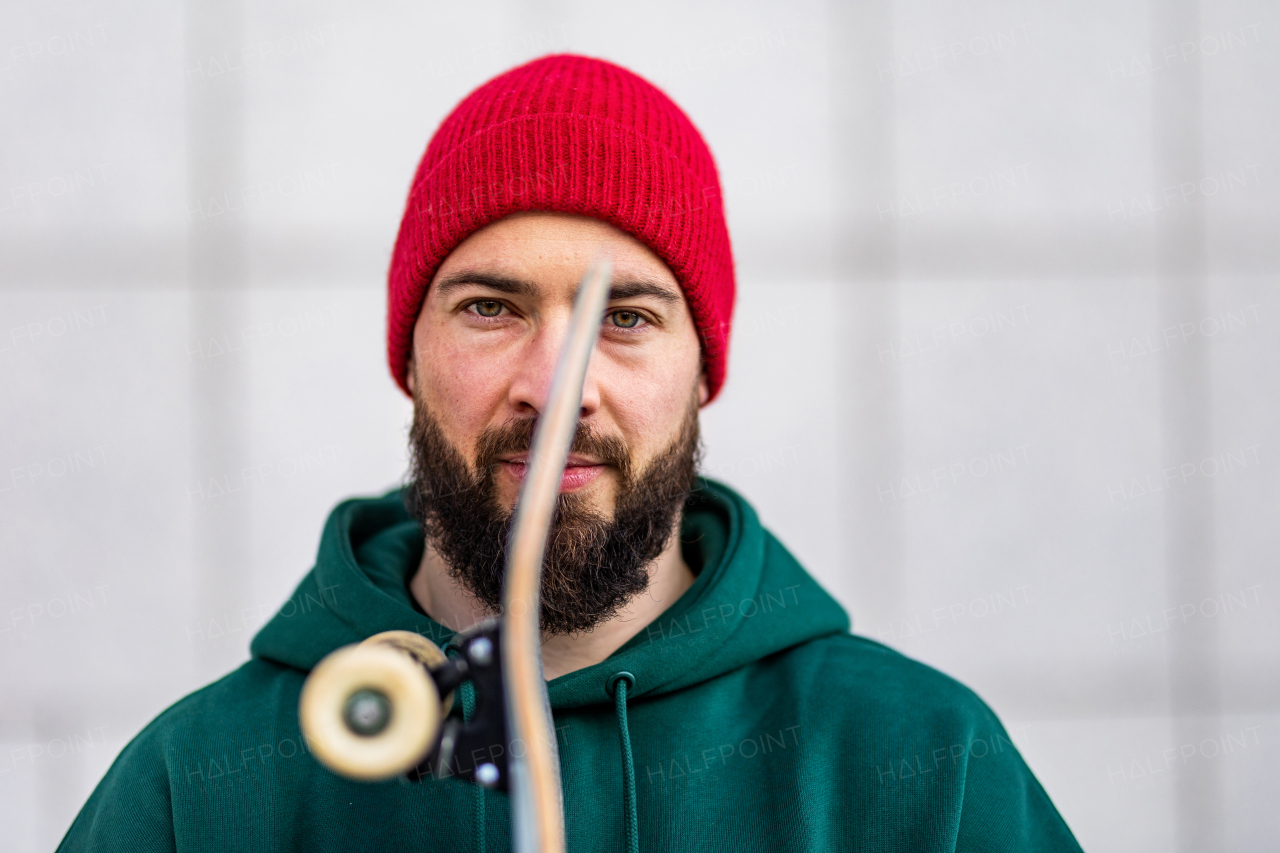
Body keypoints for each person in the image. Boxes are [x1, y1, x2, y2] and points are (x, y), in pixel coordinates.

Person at [59, 54, 1082, 853]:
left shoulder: (916, 761)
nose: (555, 386)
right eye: (491, 308)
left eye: (623, 317)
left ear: (700, 371)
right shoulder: (198, 787)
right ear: (408, 355)